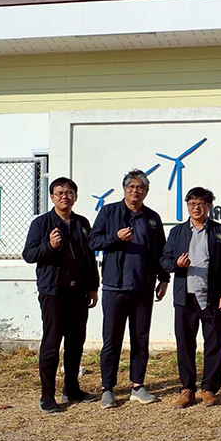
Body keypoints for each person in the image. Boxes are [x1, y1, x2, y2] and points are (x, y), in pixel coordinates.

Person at [88, 169, 170, 409]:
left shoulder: (152, 218)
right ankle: (108, 389)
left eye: (140, 187)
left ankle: (137, 385)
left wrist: (164, 278)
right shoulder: (109, 212)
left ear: (146, 191)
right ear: (124, 189)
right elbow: (93, 241)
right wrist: (115, 237)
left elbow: (161, 251)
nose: (136, 191)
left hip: (143, 287)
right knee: (111, 340)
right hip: (115, 286)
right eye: (131, 187)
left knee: (140, 338)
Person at [22, 177, 100, 413]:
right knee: (52, 342)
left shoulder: (82, 223)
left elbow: (89, 257)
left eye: (69, 193)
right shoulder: (41, 223)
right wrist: (50, 246)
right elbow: (29, 254)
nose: (65, 197)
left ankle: (72, 388)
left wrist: (93, 286)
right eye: (60, 193)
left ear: (75, 196)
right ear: (52, 197)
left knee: (76, 341)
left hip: (79, 291)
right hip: (54, 291)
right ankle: (47, 395)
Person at [161, 187, 221, 408]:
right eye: (192, 203)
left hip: (212, 296)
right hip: (185, 297)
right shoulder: (177, 232)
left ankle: (209, 388)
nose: (196, 207)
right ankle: (187, 389)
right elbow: (164, 260)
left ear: (209, 207)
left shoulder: (219, 231)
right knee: (185, 343)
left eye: (201, 204)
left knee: (214, 343)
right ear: (187, 206)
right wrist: (177, 264)